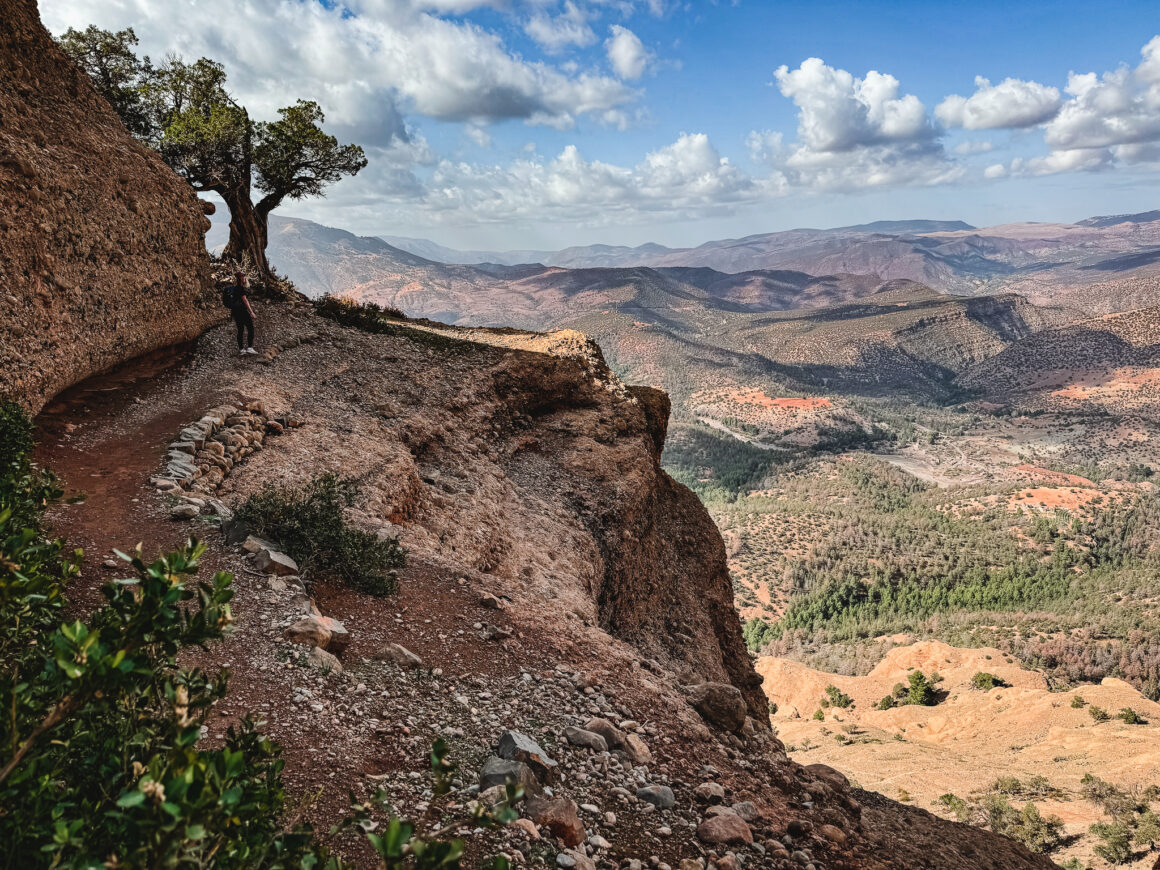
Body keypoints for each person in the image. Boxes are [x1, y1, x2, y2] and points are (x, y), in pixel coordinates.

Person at [223, 272, 257, 355]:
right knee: (250, 328)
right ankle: (249, 348)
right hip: (242, 311)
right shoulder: (240, 288)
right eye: (243, 276)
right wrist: (251, 312)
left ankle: (241, 349)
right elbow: (245, 300)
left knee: (240, 330)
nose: (245, 278)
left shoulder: (234, 288)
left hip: (235, 311)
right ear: (241, 278)